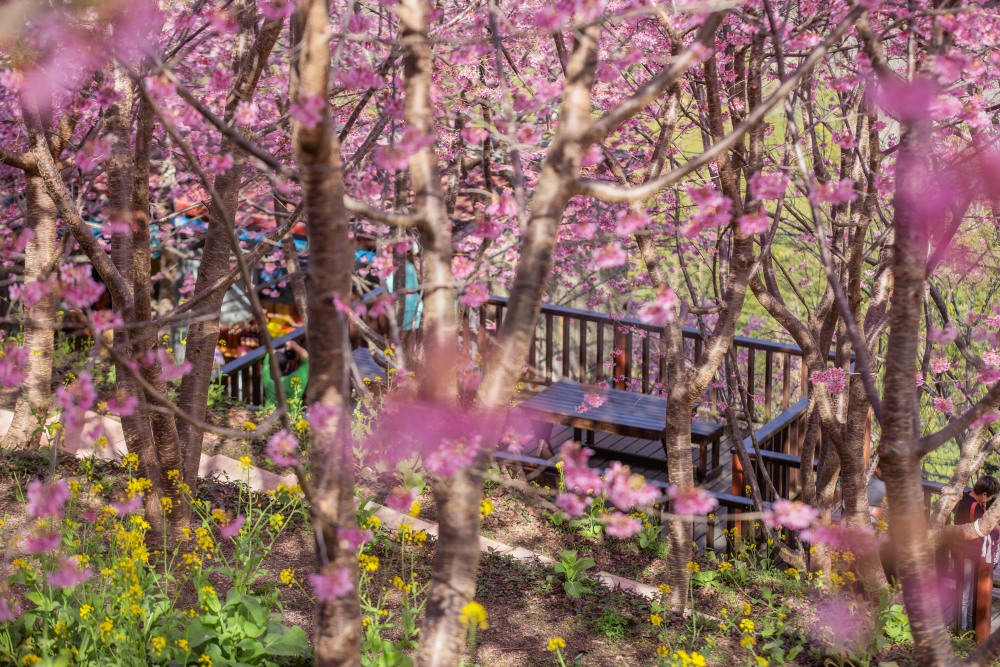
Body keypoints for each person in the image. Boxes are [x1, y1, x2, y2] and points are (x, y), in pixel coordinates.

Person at [954, 475, 1000, 631]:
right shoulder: (976, 508)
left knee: (966, 593)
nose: (990, 500)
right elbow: (986, 528)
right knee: (966, 594)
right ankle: (963, 628)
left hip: (960, 552)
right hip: (967, 554)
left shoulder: (965, 499)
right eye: (990, 497)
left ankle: (965, 626)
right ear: (984, 494)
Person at [261, 339, 309, 408]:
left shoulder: (266, 376)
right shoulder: (295, 380)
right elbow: (306, 360)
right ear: (287, 366)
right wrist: (293, 345)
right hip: (290, 418)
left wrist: (280, 350)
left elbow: (270, 353)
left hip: (269, 416)